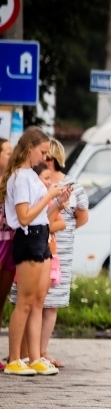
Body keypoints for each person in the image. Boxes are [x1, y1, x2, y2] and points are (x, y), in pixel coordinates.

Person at [1, 127, 70, 376]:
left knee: (38, 301)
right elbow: (24, 217)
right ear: (29, 148)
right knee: (25, 302)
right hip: (28, 237)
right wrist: (49, 194)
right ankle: (14, 359)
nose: (45, 157)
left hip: (41, 236)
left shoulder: (31, 175)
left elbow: (42, 215)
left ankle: (34, 357)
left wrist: (58, 202)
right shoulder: (19, 177)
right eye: (42, 152)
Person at [39, 138, 89, 368]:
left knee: (52, 303)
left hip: (62, 251)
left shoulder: (72, 185)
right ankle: (29, 352)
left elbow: (82, 217)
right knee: (33, 302)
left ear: (56, 158)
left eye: (49, 157)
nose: (45, 161)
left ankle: (42, 351)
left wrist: (63, 231)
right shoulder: (37, 181)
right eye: (43, 156)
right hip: (36, 246)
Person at [0, 139, 14, 367]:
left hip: (11, 242)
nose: (11, 156)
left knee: (1, 301)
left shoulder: (13, 180)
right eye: (7, 152)